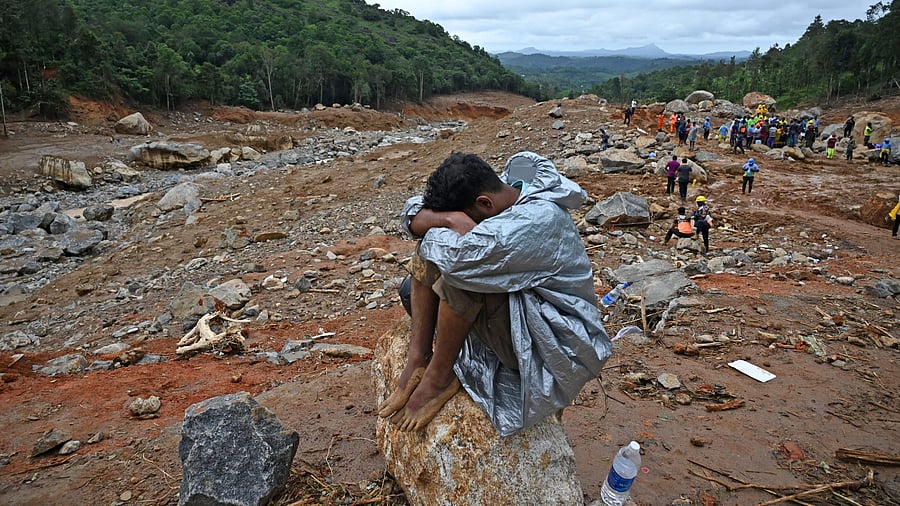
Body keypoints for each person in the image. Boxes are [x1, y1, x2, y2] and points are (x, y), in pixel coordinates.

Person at [381, 151, 612, 435]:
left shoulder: (536, 220)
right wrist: (451, 220)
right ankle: (418, 360)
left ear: (484, 204)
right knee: (421, 272)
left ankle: (439, 378)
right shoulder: (504, 189)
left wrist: (437, 224)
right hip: (525, 309)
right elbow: (412, 212)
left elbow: (455, 259)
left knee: (461, 277)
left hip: (553, 344)